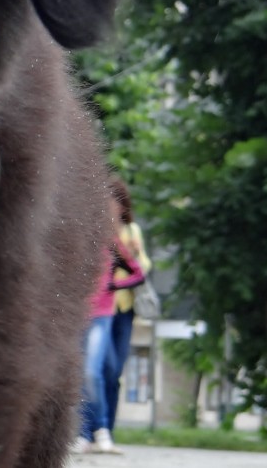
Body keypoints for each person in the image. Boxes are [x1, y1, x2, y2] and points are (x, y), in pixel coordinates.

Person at [75, 176, 145, 455]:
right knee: (82, 373)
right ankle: (82, 434)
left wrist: (113, 285)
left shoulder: (115, 240)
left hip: (106, 313)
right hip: (79, 314)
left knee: (96, 371)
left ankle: (102, 430)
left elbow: (139, 272)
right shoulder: (80, 237)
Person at [104, 178, 152, 455]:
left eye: (116, 202)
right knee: (99, 367)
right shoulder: (100, 230)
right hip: (102, 307)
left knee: (115, 371)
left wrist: (134, 253)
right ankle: (91, 429)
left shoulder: (132, 230)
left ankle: (107, 428)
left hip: (124, 309)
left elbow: (143, 266)